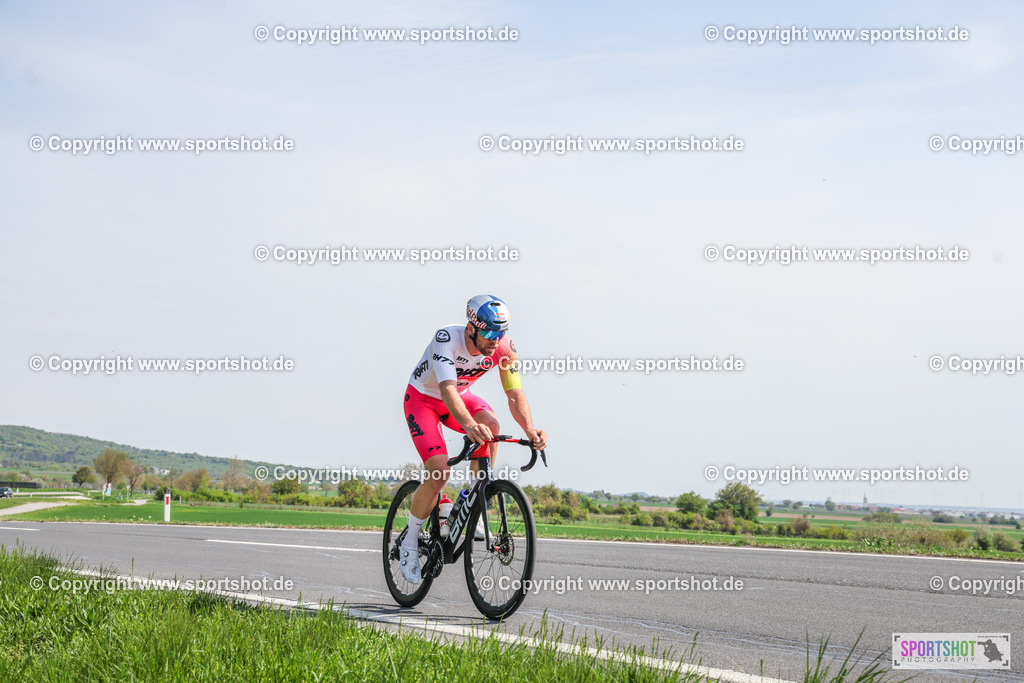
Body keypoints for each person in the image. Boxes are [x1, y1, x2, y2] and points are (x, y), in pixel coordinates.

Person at [400, 295, 547, 583]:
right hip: (424, 401)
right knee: (439, 471)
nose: (495, 340)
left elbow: (514, 394)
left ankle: (471, 502)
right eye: (490, 332)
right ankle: (409, 544)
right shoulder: (446, 339)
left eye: (501, 332)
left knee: (491, 425)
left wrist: (530, 428)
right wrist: (468, 424)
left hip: (460, 397)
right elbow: (448, 390)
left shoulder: (504, 348)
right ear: (472, 328)